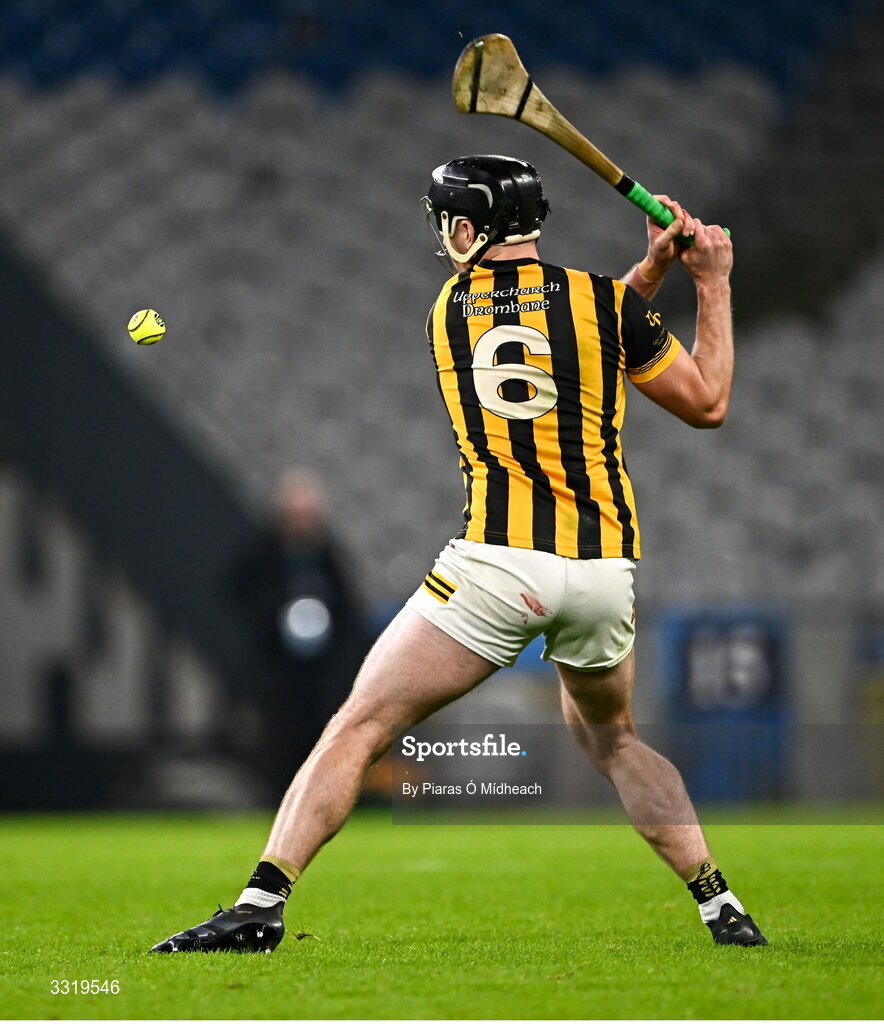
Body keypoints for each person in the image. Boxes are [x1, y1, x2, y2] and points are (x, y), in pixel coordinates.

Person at [150, 155, 766, 953]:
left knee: (359, 724)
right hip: (604, 573)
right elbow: (703, 399)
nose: (444, 237)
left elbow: (549, 342)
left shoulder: (449, 310)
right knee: (616, 742)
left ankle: (258, 907)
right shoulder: (606, 305)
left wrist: (649, 271)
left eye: (449, 222)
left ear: (470, 229)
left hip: (498, 566)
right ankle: (720, 906)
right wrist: (707, 282)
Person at [231, 469, 372, 793]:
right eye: (294, 515)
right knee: (279, 735)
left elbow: (348, 606)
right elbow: (238, 593)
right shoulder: (262, 554)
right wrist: (271, 615)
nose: (301, 523)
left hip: (320, 672)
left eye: (307, 516)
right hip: (277, 668)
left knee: (321, 731)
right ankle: (279, 798)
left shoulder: (327, 555)